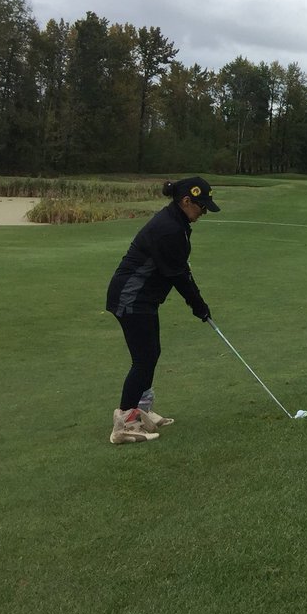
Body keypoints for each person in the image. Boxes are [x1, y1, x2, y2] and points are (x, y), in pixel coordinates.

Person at [105, 177, 220, 445]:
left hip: (143, 298)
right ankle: (124, 423)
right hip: (131, 297)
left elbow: (179, 269)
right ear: (186, 201)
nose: (203, 212)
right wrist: (199, 306)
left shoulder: (177, 222)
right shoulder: (169, 228)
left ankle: (141, 410)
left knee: (150, 353)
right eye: (201, 206)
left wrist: (198, 305)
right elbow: (179, 275)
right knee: (143, 359)